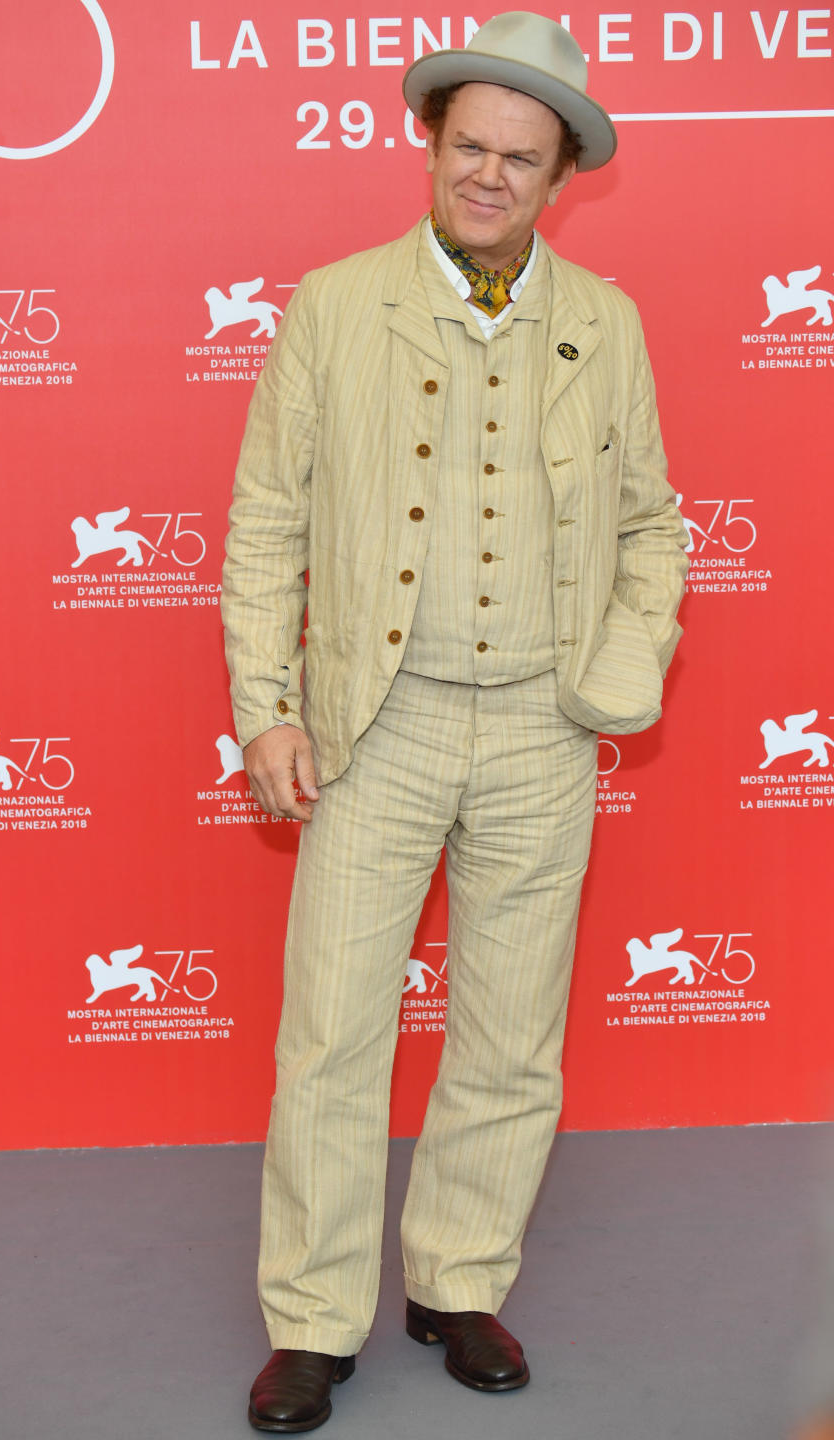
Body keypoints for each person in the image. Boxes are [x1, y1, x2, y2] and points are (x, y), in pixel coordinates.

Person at [221, 12, 688, 1431]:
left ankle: (459, 1281)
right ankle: (314, 1314)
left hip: (545, 733)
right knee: (333, 1034)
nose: (489, 176)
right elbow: (265, 524)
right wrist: (269, 710)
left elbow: (655, 526)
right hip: (382, 726)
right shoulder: (335, 305)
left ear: (561, 177)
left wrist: (619, 673)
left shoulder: (606, 323)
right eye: (468, 148)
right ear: (431, 147)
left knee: (510, 1031)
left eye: (520, 159)